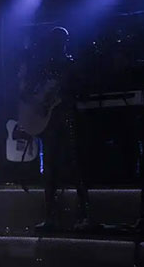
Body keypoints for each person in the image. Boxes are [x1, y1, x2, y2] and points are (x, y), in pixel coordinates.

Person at [19, 26, 91, 231]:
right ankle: (51, 216)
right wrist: (39, 99)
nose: (56, 45)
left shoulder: (70, 64)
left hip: (67, 115)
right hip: (49, 121)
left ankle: (84, 215)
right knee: (50, 168)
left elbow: (81, 89)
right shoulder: (42, 66)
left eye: (59, 41)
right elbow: (25, 92)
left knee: (75, 165)